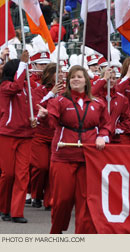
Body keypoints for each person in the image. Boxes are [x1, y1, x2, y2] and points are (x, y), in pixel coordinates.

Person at [37, 65, 111, 234]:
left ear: (86, 81)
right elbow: (52, 120)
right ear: (68, 81)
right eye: (72, 77)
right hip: (64, 156)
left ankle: (82, 237)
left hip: (88, 157)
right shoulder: (59, 100)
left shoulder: (98, 102)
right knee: (63, 199)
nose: (75, 79)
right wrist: (45, 115)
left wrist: (103, 136)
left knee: (85, 200)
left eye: (79, 76)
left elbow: (107, 125)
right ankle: (56, 232)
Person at [0, 50, 35, 223]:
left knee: (22, 174)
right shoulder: (5, 87)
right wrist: (22, 63)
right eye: (22, 70)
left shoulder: (27, 89)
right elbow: (16, 87)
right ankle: (3, 208)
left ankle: (16, 212)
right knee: (8, 174)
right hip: (7, 134)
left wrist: (36, 117)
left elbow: (33, 108)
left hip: (26, 135)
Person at [30, 63, 64, 209]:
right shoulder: (40, 90)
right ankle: (36, 194)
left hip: (56, 133)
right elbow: (35, 106)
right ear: (49, 75)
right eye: (58, 72)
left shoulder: (64, 92)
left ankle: (50, 199)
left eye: (62, 72)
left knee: (53, 168)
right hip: (40, 134)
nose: (62, 74)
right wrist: (51, 94)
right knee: (41, 166)